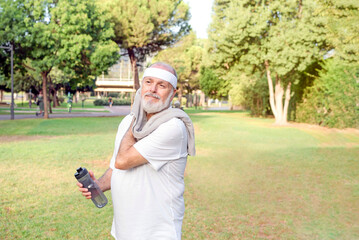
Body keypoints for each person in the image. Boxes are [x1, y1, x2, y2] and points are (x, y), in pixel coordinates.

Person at [77, 62, 195, 240]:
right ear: (141, 86)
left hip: (156, 233)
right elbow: (115, 168)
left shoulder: (173, 127)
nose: (152, 89)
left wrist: (137, 113)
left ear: (172, 94)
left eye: (161, 85)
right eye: (148, 82)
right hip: (125, 229)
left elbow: (122, 161)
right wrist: (98, 185)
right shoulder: (128, 121)